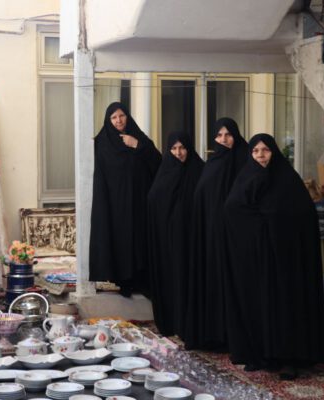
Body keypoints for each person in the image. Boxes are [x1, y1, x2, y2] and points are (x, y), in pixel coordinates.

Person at [223, 133, 324, 380]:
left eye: (265, 150)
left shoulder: (288, 180)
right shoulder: (245, 179)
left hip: (285, 260)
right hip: (257, 260)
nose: (260, 155)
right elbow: (232, 212)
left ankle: (290, 358)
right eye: (255, 151)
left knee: (285, 307)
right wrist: (260, 223)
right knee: (258, 305)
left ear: (274, 152)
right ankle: (260, 355)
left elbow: (304, 215)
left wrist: (273, 220)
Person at [184, 117, 249, 349]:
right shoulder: (212, 163)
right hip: (211, 234)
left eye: (228, 134)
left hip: (235, 236)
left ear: (236, 135)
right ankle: (214, 334)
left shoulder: (245, 160)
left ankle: (234, 337)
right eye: (219, 135)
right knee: (213, 281)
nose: (223, 139)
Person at [89, 102, 161, 297]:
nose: (118, 120)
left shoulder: (138, 137)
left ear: (127, 116)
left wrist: (136, 144)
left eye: (121, 116)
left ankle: (140, 281)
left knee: (139, 240)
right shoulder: (101, 143)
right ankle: (123, 282)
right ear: (108, 120)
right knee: (120, 241)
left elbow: (157, 162)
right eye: (114, 117)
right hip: (115, 203)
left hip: (139, 201)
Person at [147, 131, 204, 336]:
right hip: (167, 242)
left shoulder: (199, 171)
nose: (178, 153)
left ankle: (190, 325)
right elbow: (154, 202)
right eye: (174, 148)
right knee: (171, 280)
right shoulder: (164, 173)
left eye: (182, 148)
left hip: (192, 239)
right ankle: (171, 322)